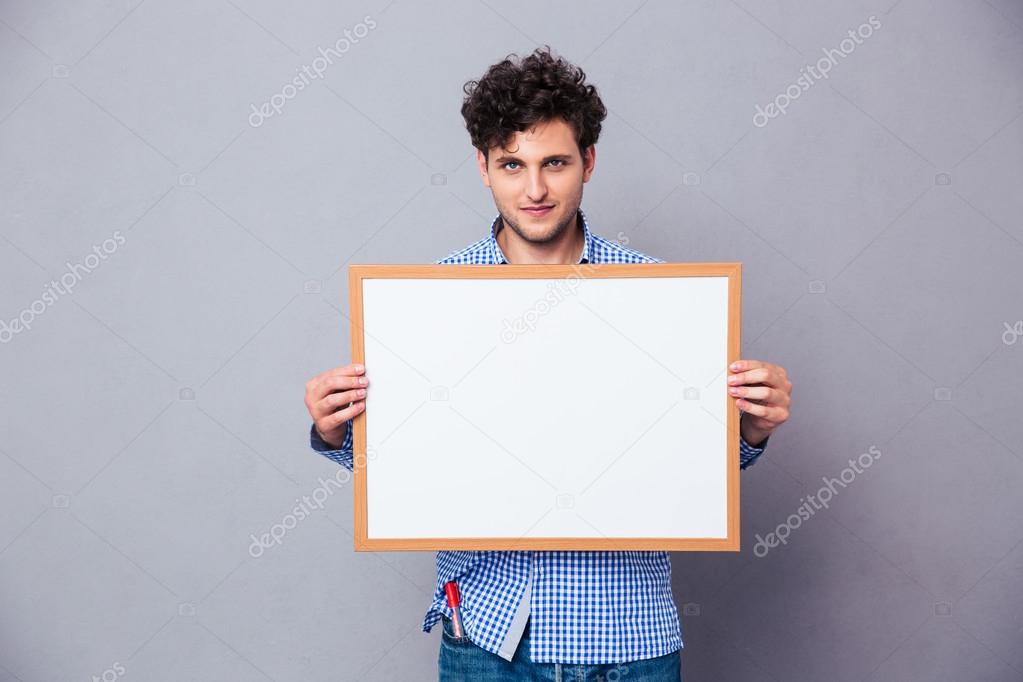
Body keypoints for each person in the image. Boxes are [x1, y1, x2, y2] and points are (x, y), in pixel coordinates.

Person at [303, 45, 793, 682]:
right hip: (487, 640)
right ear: (483, 168)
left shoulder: (661, 296)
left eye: (555, 163)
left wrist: (750, 429)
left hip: (628, 638)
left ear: (588, 162)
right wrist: (336, 430)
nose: (534, 189)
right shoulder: (431, 301)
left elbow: (682, 470)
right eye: (513, 164)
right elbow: (408, 469)